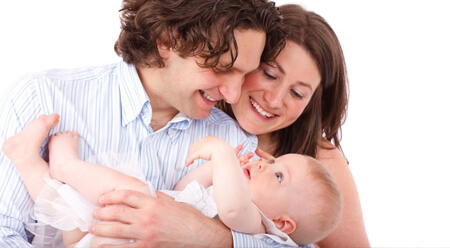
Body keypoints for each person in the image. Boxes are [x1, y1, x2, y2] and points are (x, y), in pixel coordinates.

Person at [0, 0, 286, 247]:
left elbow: (286, 240)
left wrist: (202, 234)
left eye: (245, 75)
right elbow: (4, 232)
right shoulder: (43, 97)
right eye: (222, 68)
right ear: (166, 40)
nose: (234, 95)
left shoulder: (233, 144)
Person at [3, 114, 342, 247]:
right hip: (120, 236)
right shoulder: (233, 200)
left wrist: (221, 156)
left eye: (279, 174)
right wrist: (212, 173)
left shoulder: (262, 228)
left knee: (134, 192)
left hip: (131, 237)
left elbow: (235, 209)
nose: (264, 165)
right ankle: (27, 160)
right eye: (273, 162)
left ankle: (66, 166)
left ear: (285, 223)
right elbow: (182, 193)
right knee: (72, 215)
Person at [217, 4, 371, 247]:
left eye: (297, 93)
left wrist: (212, 237)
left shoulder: (322, 163)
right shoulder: (195, 116)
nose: (274, 100)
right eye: (269, 74)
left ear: (311, 102)